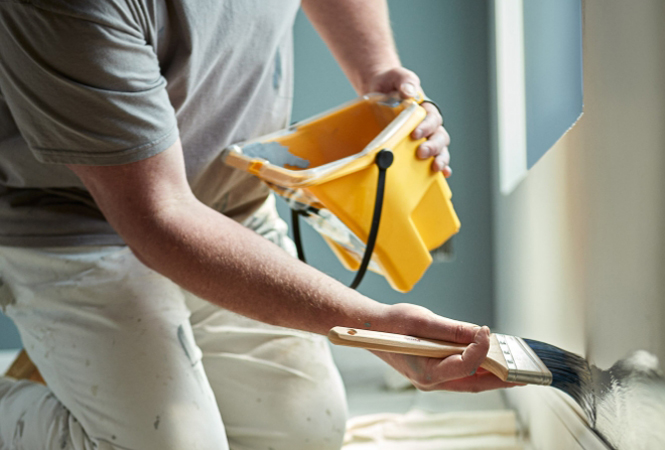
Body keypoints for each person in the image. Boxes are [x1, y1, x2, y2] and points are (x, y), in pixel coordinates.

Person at [0, 0, 515, 449]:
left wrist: (378, 73)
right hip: (73, 222)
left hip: (230, 201)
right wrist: (373, 327)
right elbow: (161, 218)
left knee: (305, 432)